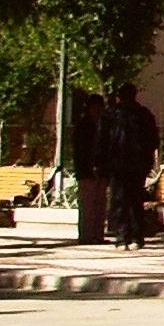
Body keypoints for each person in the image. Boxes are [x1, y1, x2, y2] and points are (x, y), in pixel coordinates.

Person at [102, 83, 160, 248]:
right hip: (135, 163)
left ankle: (123, 235)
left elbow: (102, 140)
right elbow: (153, 140)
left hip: (120, 164)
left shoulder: (111, 116)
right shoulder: (143, 115)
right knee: (134, 199)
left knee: (120, 199)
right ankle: (134, 235)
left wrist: (100, 161)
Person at [71, 89, 107, 245]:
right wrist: (90, 165)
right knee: (87, 205)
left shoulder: (104, 126)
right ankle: (86, 235)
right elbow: (81, 150)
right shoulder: (83, 127)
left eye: (100, 107)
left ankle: (98, 234)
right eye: (95, 107)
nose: (98, 110)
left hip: (102, 170)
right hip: (86, 172)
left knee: (100, 204)